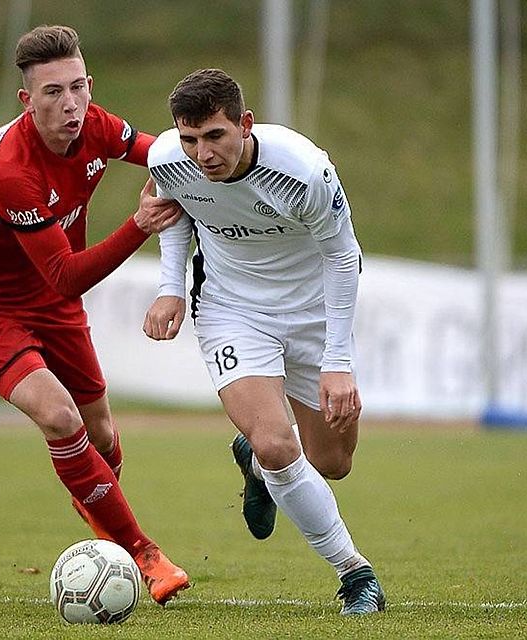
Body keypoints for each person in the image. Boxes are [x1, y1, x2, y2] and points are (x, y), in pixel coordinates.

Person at [0, 25, 189, 606]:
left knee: (103, 438)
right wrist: (139, 225)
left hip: (51, 302)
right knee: (60, 417)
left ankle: (97, 511)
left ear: (89, 85)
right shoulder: (9, 171)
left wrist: (220, 164)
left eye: (77, 88)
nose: (69, 104)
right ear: (27, 100)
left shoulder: (91, 122)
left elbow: (163, 153)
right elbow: (67, 275)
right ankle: (143, 553)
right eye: (52, 93)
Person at [143, 68, 384, 615]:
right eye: (190, 139)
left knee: (333, 461)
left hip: (311, 317)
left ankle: (254, 464)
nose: (202, 154)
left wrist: (337, 362)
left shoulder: (303, 171)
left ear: (245, 125)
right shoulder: (168, 159)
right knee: (280, 443)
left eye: (215, 137)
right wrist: (170, 289)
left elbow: (344, 256)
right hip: (232, 311)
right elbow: (175, 212)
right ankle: (356, 575)